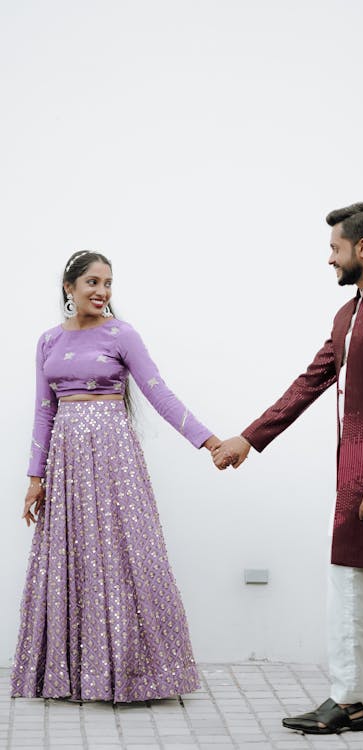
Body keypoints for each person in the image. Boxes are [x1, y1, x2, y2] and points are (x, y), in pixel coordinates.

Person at [212, 203, 363, 734]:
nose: (328, 258)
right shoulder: (347, 314)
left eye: (335, 248)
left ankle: (349, 699)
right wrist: (250, 436)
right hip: (355, 467)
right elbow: (311, 381)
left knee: (353, 581)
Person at [12, 250, 220, 703]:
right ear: (69, 287)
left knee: (123, 555)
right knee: (74, 557)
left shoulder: (122, 334)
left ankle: (133, 672)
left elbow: (158, 392)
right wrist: (35, 478)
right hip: (66, 464)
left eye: (108, 283)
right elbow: (43, 412)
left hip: (113, 459)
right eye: (92, 282)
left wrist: (207, 441)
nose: (102, 292)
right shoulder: (48, 341)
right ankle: (74, 673)